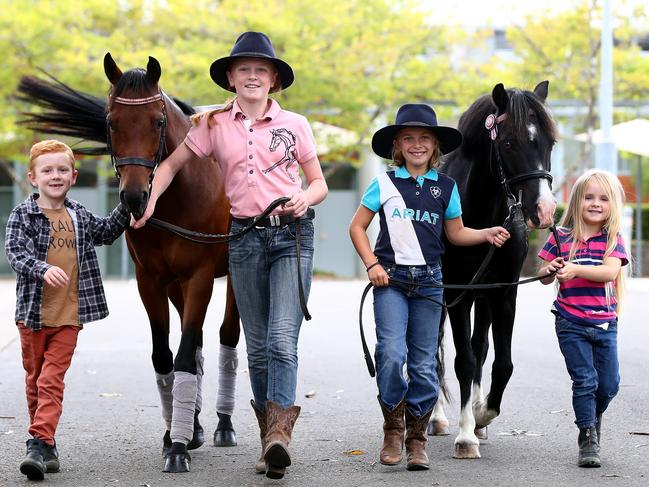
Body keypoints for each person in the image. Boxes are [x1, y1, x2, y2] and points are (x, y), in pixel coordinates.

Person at [131, 31, 327, 479]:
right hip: (242, 238)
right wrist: (148, 205)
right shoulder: (211, 124)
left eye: (261, 70)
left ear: (274, 79)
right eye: (244, 70)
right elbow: (169, 166)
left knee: (281, 338)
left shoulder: (295, 124)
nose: (253, 76)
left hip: (291, 236)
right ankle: (268, 438)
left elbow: (318, 183)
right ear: (231, 78)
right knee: (256, 347)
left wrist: (306, 198)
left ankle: (280, 435)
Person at [349, 104, 510, 470]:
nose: (417, 144)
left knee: (423, 364)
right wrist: (372, 264)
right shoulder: (384, 184)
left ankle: (416, 439)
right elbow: (356, 227)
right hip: (390, 279)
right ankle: (393, 427)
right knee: (390, 354)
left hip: (429, 282)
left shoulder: (446, 187)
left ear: (436, 145)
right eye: (409, 138)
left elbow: (455, 233)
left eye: (424, 138)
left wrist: (485, 233)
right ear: (397, 145)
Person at [5, 139, 130, 481]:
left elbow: (105, 231)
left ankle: (38, 443)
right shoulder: (23, 214)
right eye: (48, 170)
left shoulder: (78, 215)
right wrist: (41, 268)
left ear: (73, 176)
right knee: (34, 382)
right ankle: (45, 445)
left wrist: (128, 201)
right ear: (33, 177)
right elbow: (15, 252)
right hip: (32, 317)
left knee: (50, 380)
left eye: (62, 170)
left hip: (68, 319)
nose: (55, 175)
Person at [537, 169, 628, 468]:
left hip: (604, 323)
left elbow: (609, 272)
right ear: (576, 201)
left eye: (603, 198)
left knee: (609, 384)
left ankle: (592, 415)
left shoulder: (613, 239)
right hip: (570, 322)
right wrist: (550, 270)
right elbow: (541, 275)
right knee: (585, 380)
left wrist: (575, 269)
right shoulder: (561, 238)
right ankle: (587, 434)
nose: (595, 203)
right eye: (588, 197)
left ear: (613, 204)